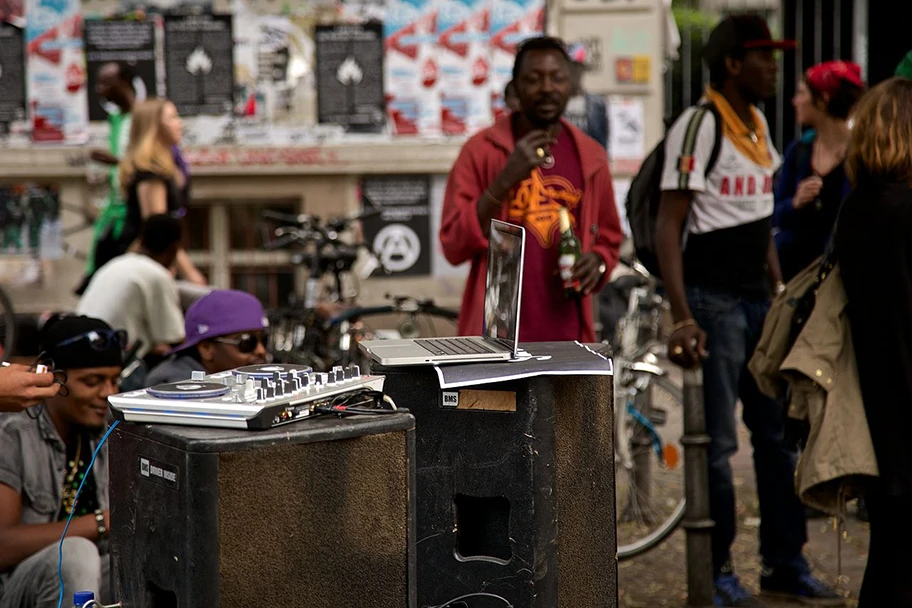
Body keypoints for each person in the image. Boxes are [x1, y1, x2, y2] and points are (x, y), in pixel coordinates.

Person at [655, 15, 841, 607]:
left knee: (776, 439)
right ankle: (713, 573)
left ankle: (784, 566)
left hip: (761, 305)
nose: (775, 67)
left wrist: (781, 289)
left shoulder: (759, 124)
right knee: (717, 448)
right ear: (733, 63)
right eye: (764, 56)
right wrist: (682, 315)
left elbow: (758, 219)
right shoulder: (698, 125)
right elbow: (669, 224)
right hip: (713, 306)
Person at [440, 36, 622, 343]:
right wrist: (505, 178)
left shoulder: (591, 156)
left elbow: (609, 238)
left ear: (571, 86)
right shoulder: (481, 151)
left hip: (569, 337)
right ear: (515, 89)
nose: (547, 88)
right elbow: (453, 244)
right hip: (494, 339)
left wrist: (599, 261)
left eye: (557, 78)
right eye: (534, 79)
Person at [835, 77, 912, 607]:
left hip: (876, 410)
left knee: (889, 558)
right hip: (907, 407)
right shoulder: (903, 210)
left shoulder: (858, 208)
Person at [0, 316, 124, 608]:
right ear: (53, 380)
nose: (108, 393)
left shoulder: (104, 431)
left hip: (86, 576)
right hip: (17, 588)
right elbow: (3, 546)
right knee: (76, 554)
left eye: (114, 380)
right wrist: (100, 522)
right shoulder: (11, 432)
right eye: (92, 382)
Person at [773, 61, 864, 281]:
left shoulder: (862, 155)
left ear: (823, 100)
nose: (795, 101)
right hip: (795, 278)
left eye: (801, 93)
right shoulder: (799, 151)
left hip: (839, 280)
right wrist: (794, 203)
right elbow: (774, 214)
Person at [112, 98, 206, 286]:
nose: (179, 123)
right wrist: (190, 274)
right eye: (172, 118)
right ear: (155, 126)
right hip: (144, 265)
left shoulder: (170, 166)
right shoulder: (150, 173)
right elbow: (158, 232)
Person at [76, 213, 185, 363]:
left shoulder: (115, 264)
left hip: (81, 352)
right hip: (113, 363)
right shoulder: (157, 275)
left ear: (140, 241)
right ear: (175, 248)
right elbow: (175, 338)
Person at [78, 62, 137, 296]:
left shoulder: (140, 119)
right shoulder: (116, 121)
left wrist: (114, 161)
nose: (99, 89)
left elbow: (143, 163)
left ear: (123, 83)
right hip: (115, 209)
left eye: (105, 82)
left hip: (133, 209)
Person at [145, 289, 269, 386]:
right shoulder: (172, 385)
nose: (261, 351)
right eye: (247, 342)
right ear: (206, 348)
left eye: (264, 339)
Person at [564, 42, 609, 152]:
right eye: (571, 67)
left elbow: (601, 140)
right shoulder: (555, 102)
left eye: (578, 67)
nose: (574, 72)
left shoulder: (597, 103)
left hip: (587, 159)